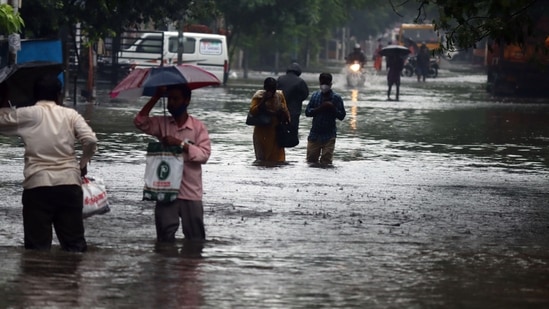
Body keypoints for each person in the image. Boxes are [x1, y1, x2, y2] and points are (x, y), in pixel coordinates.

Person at [0, 74, 98, 252]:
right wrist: (82, 164)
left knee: (37, 250)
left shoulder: (27, 114)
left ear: (35, 95)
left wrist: (4, 97)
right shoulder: (71, 115)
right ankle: (71, 278)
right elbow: (90, 140)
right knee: (74, 247)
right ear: (59, 95)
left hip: (38, 185)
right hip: (69, 184)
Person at [134, 83, 211, 243]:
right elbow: (140, 121)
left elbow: (204, 155)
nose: (171, 103)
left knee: (196, 240)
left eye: (176, 99)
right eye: (169, 99)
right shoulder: (162, 123)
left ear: (186, 100)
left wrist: (180, 144)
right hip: (166, 191)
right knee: (164, 240)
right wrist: (155, 97)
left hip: (191, 192)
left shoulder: (197, 127)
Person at [304, 73, 346, 167]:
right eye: (323, 83)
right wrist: (320, 108)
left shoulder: (336, 98)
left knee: (327, 163)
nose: (324, 86)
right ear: (319, 83)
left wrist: (332, 108)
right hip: (315, 134)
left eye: (326, 83)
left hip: (329, 135)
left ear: (330, 84)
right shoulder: (315, 96)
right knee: (311, 162)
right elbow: (307, 112)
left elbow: (342, 116)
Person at [249, 77, 290, 164]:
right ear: (265, 88)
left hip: (275, 131)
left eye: (273, 89)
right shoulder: (258, 96)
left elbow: (286, 111)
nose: (271, 91)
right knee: (261, 158)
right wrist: (264, 100)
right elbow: (253, 111)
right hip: (261, 132)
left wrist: (282, 114)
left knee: (277, 158)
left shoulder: (279, 96)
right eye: (269, 88)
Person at [277, 62, 309, 144]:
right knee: (292, 130)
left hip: (279, 109)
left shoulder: (280, 79)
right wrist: (297, 100)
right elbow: (305, 94)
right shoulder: (300, 82)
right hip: (294, 110)